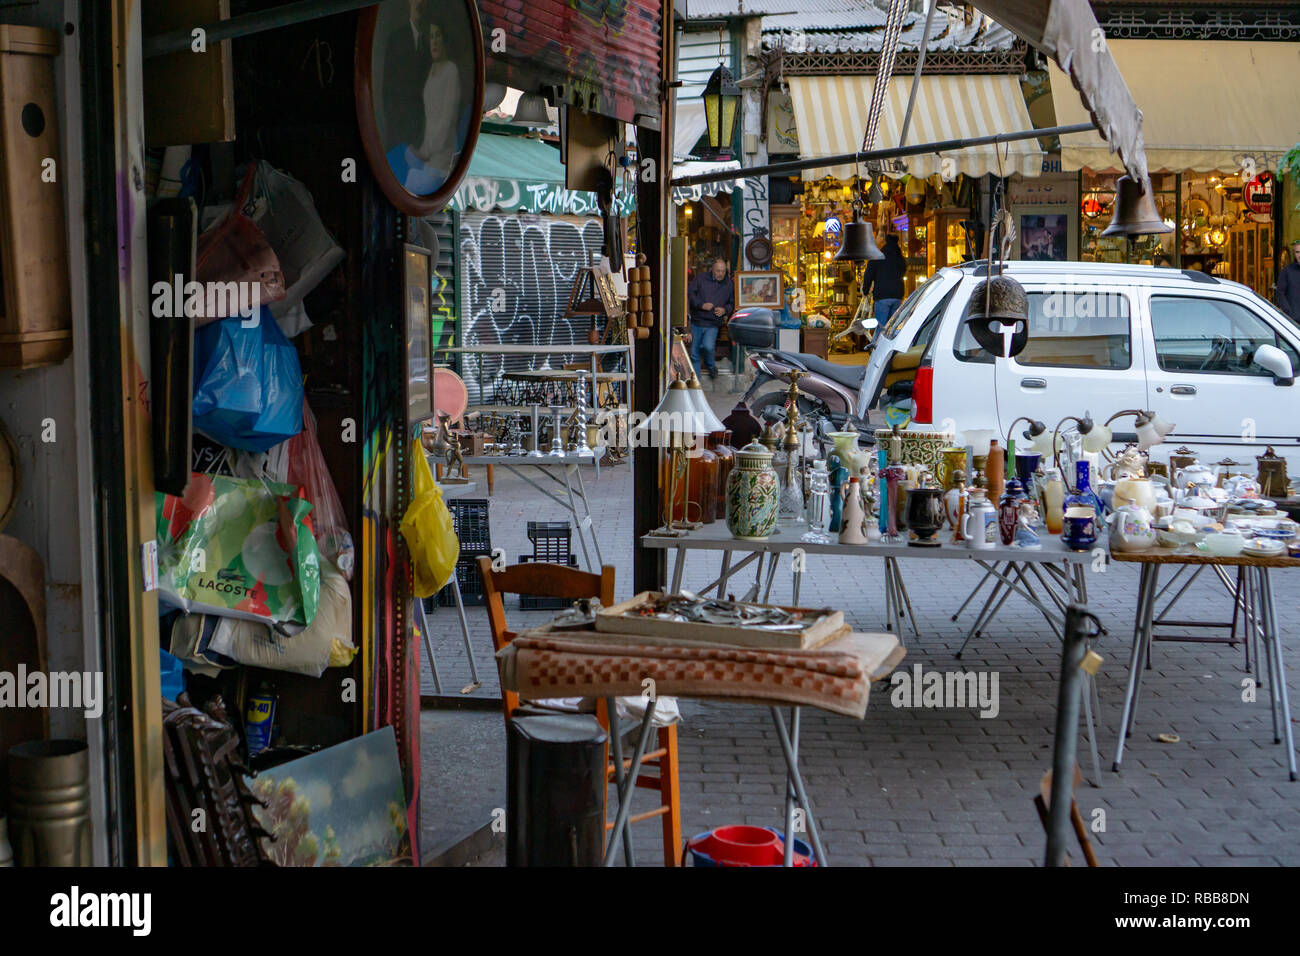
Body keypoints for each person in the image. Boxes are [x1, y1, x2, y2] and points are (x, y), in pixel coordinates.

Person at [382, 0, 431, 149]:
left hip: (422, 129)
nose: (420, 3)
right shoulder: (396, 39)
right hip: (398, 126)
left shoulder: (431, 41)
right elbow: (388, 86)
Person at [687, 257, 733, 379]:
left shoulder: (729, 283)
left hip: (712, 322)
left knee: (708, 347)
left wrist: (725, 310)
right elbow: (690, 294)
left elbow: (732, 303)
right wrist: (701, 305)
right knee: (694, 353)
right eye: (718, 271)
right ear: (712, 269)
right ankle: (696, 382)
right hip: (697, 320)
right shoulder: (700, 279)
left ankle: (711, 366)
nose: (720, 274)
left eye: (723, 271)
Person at [860, 233, 906, 338]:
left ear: (885, 242)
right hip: (897, 295)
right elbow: (903, 272)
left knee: (881, 326)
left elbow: (869, 274)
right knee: (893, 327)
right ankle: (890, 350)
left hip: (882, 295)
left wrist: (865, 290)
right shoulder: (899, 257)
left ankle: (877, 350)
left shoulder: (877, 256)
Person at [1277, 239, 1300, 323]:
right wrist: (1289, 313)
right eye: (1297, 252)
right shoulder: (1287, 271)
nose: (1299, 255)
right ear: (1294, 254)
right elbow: (1280, 293)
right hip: (1293, 323)